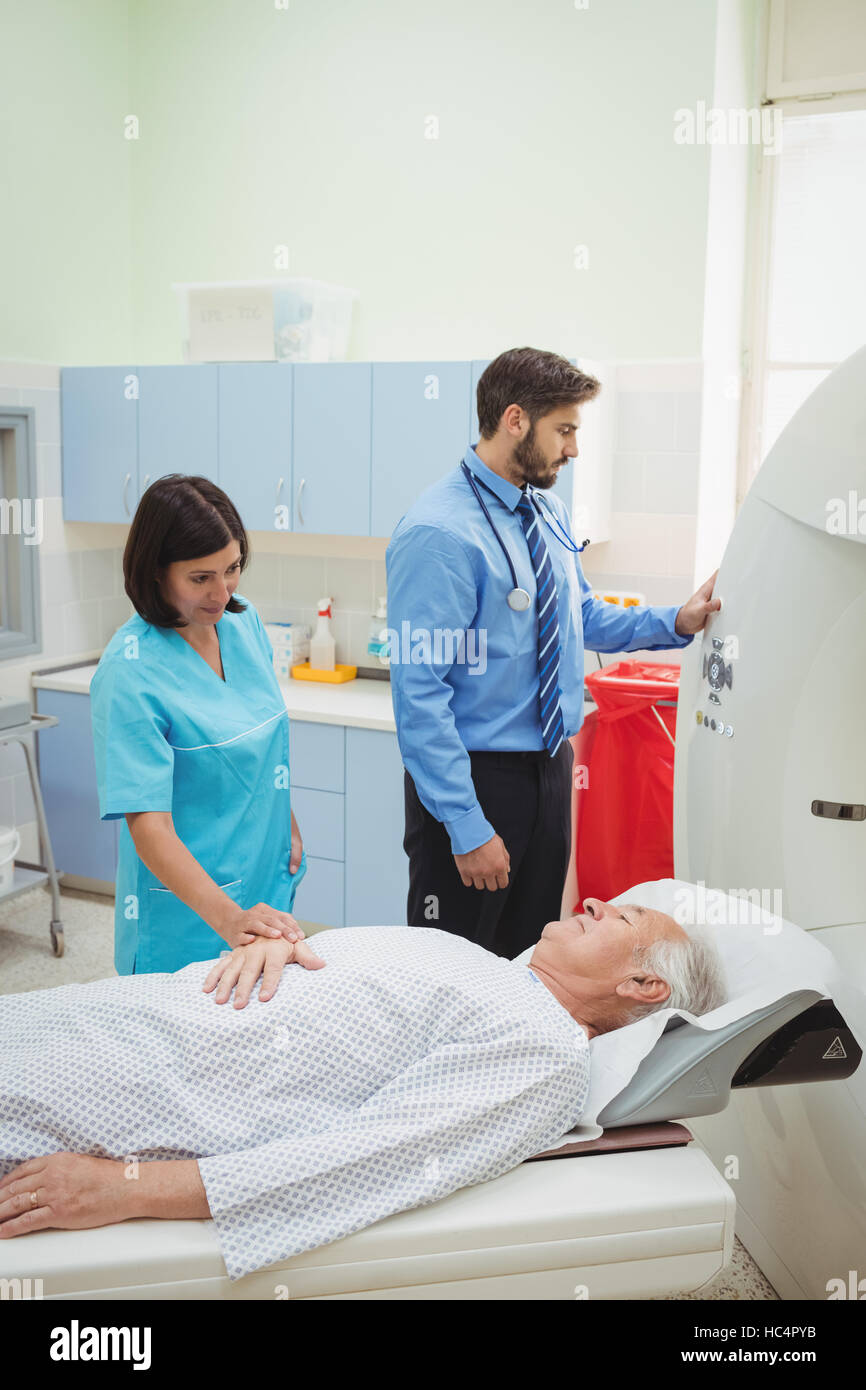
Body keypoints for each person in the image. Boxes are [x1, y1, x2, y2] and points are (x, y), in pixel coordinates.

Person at [0, 898, 725, 1282]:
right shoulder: (496, 972)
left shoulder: (545, 1053)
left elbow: (365, 1159)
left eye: (621, 917)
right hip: (139, 1016)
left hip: (138, 1086)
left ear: (641, 986)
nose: (596, 901)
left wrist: (125, 1189)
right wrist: (283, 944)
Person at [386, 347, 721, 959]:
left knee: (531, 960)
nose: (573, 449)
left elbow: (578, 615)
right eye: (564, 430)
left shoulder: (546, 511)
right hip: (475, 778)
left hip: (549, 769)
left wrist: (676, 620)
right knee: (451, 966)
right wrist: (465, 824)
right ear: (515, 420)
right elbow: (418, 696)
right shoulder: (438, 533)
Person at [90, 474, 308, 977]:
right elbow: (149, 828)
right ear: (156, 571)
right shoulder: (129, 672)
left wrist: (287, 821)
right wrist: (231, 920)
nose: (221, 592)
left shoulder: (242, 621)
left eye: (232, 569)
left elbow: (259, 740)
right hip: (191, 911)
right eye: (200, 577)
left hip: (263, 878)